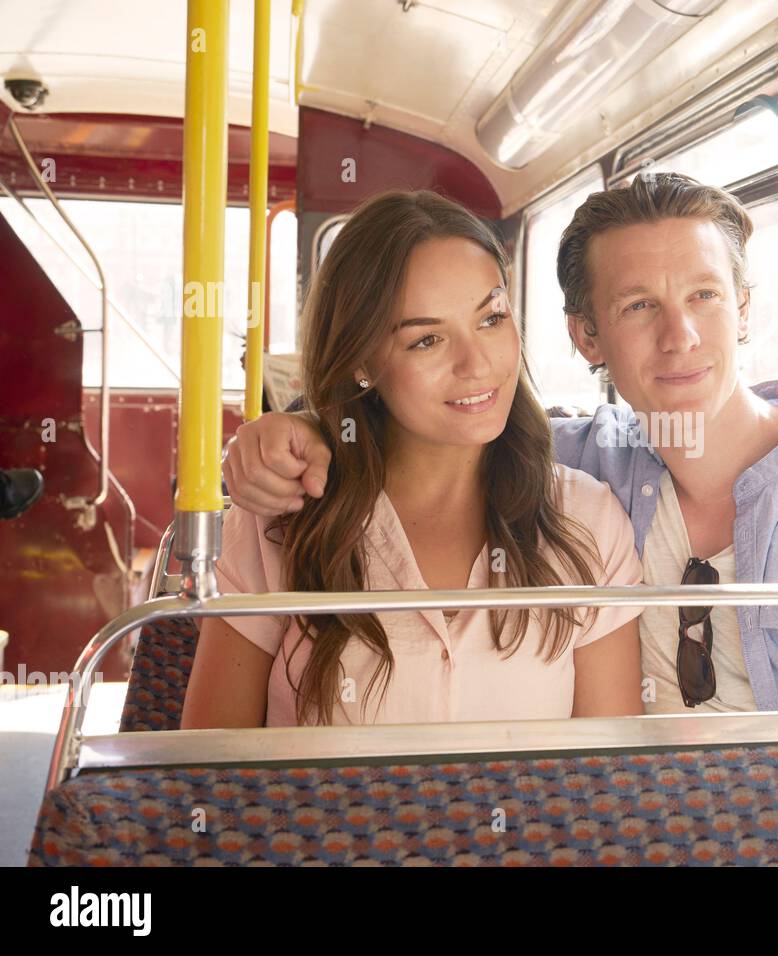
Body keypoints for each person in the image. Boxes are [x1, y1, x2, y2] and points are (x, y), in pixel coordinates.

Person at [221, 173, 778, 714]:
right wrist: (296, 429)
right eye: (639, 305)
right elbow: (434, 430)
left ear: (743, 311)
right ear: (587, 337)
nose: (679, 336)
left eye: (704, 297)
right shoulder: (572, 472)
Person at [182, 190, 643, 730]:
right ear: (361, 361)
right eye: (426, 340)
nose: (477, 364)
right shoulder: (282, 520)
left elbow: (605, 779)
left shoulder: (584, 520)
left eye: (491, 318)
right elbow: (211, 768)